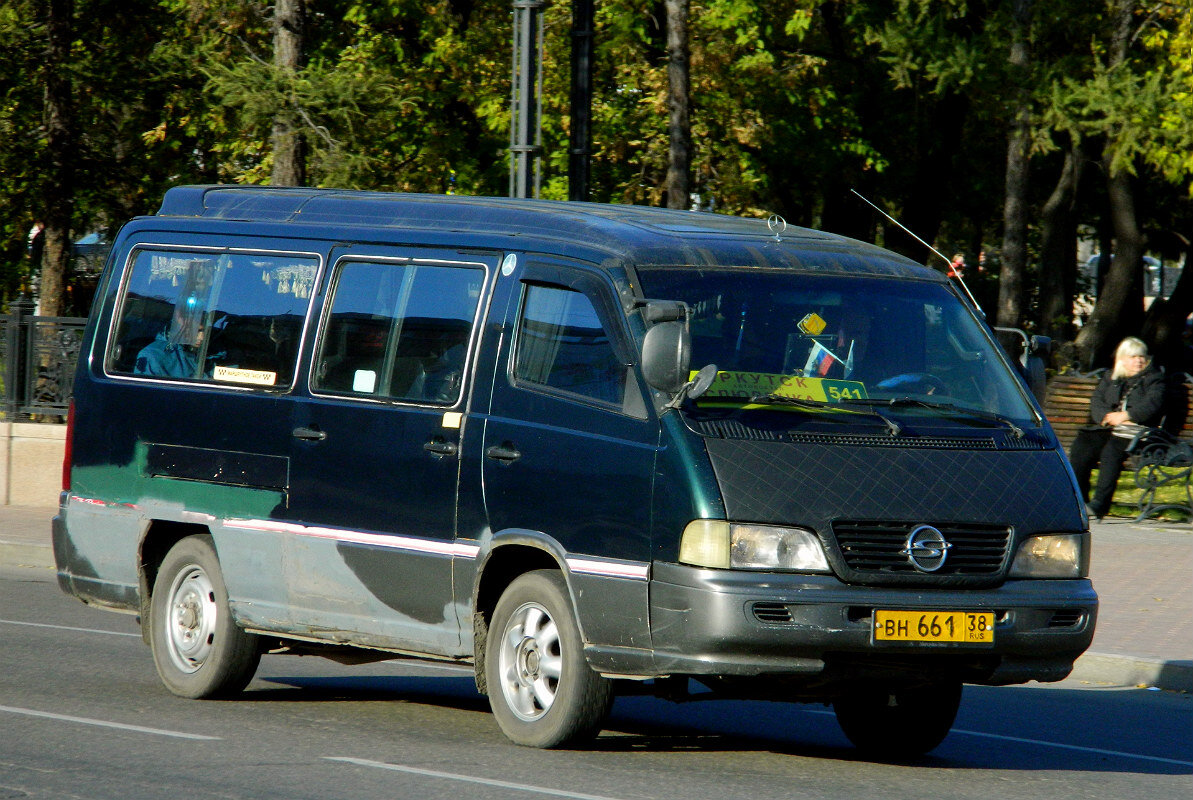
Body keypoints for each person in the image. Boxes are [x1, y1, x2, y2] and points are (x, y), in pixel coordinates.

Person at [1068, 337, 1166, 520]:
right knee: (1082, 448)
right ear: (1122, 359)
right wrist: (1107, 418)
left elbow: (1152, 404)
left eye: (1142, 356)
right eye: (1133, 356)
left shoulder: (1154, 379)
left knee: (1111, 452)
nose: (1139, 360)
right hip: (1109, 428)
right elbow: (1097, 401)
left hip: (1137, 432)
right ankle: (1079, 502)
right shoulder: (1111, 377)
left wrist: (1127, 416)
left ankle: (1099, 505)